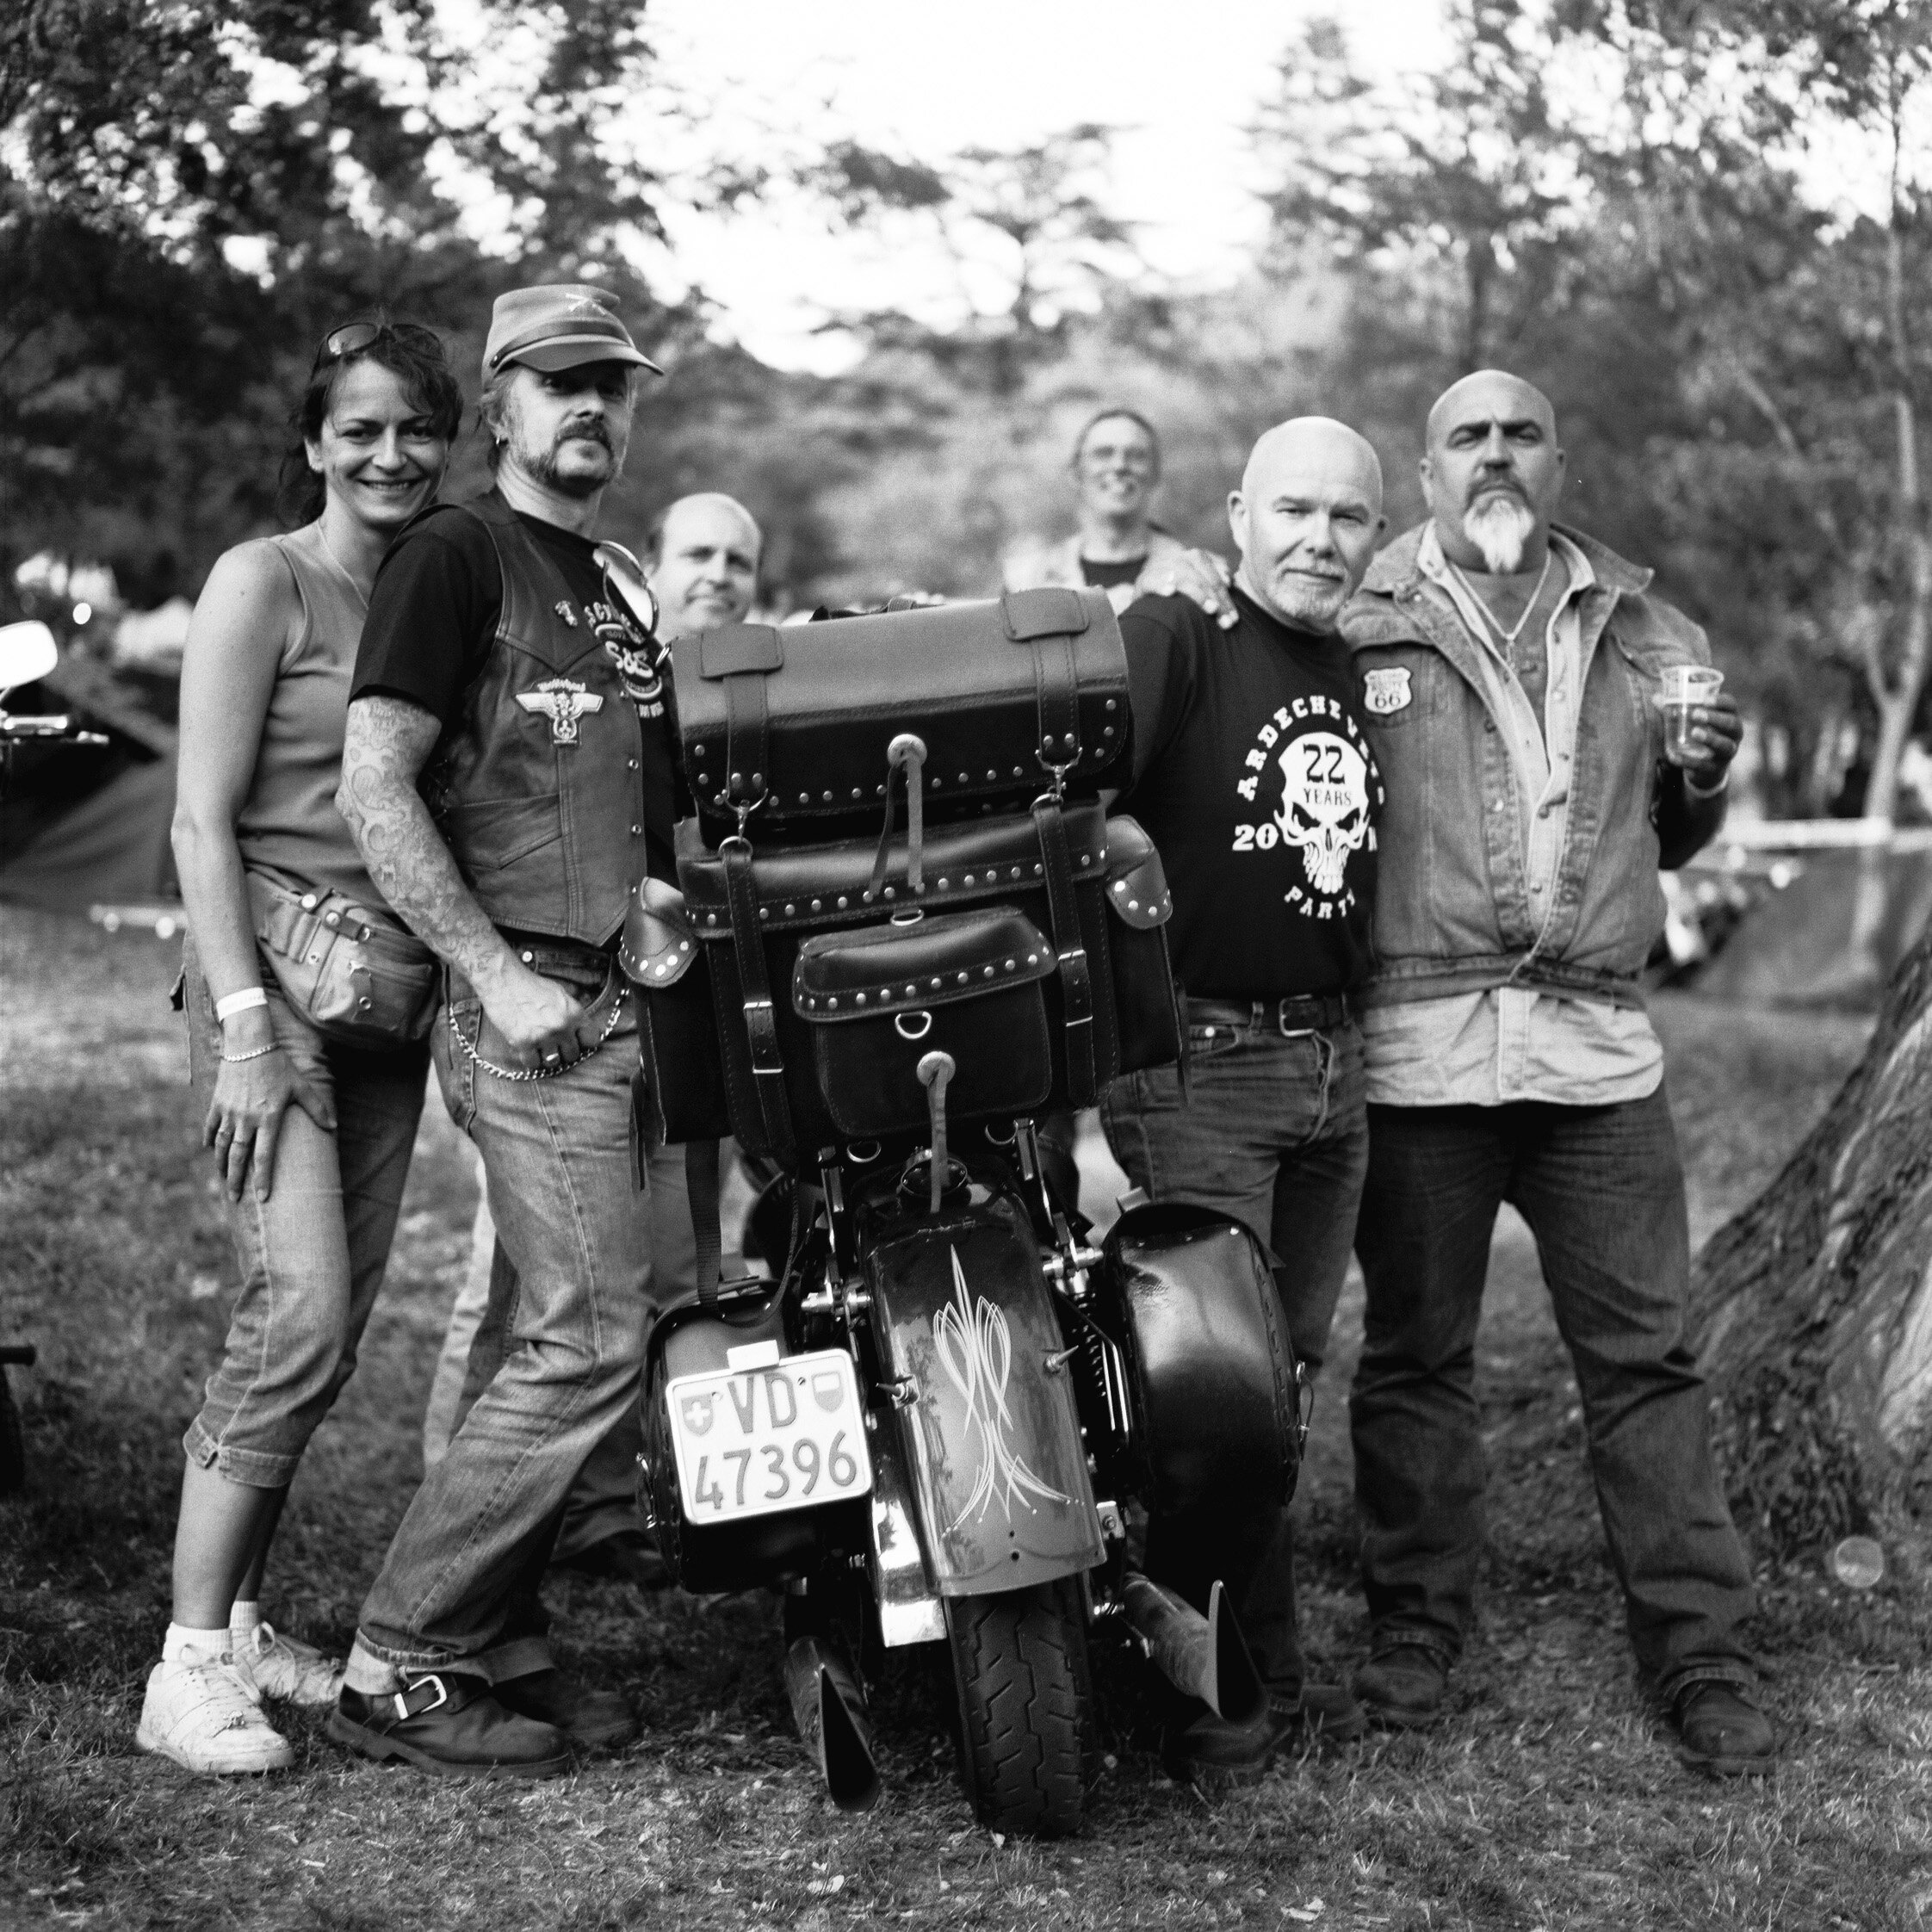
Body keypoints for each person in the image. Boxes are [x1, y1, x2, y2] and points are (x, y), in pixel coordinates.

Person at [1159, 370, 1770, 1776]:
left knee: (1644, 1360)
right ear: (1423, 474)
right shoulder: (1353, 617)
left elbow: (1665, 840)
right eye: (1463, 438)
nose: (1493, 455)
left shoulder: (1642, 625)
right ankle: (1414, 1624)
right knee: (1415, 1357)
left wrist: (1701, 778)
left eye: (1519, 433)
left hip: (1595, 1048)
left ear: (1556, 457)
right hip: (1420, 1044)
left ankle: (1700, 1650)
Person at [329, 283, 673, 1778]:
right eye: (557, 382)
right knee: (591, 1337)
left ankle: (497, 1638)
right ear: (501, 407)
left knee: (538, 1326)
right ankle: (400, 1656)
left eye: (609, 382)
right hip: (530, 1007)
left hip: (625, 1005)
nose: (588, 404)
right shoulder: (457, 553)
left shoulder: (614, 580)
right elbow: (374, 783)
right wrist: (490, 970)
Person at [139, 319, 462, 1776]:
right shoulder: (262, 581)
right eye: (362, 427)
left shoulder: (440, 581)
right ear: (314, 440)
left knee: (324, 1333)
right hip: (269, 986)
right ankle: (186, 1665)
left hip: (385, 1004)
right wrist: (248, 1027)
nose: (390, 453)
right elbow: (198, 821)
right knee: (302, 1311)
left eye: (416, 428)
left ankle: (248, 1616)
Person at [1105, 416, 1387, 1786]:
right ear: (1236, 516)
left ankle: (1255, 1663)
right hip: (1202, 1066)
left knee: (1286, 1384)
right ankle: (1205, 1699)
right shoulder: (1178, 631)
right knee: (1216, 1402)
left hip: (1336, 1069)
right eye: (1294, 513)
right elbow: (1076, 796)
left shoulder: (1357, 658)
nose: (1319, 540)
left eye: (1347, 517)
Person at [421, 492, 765, 1594]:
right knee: (534, 1286)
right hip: (561, 997)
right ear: (651, 569)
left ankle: (632, 1507)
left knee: (680, 1263)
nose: (718, 572)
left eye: (739, 559)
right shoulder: (611, 658)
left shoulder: (755, 673)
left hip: (683, 1010)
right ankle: (476, 1517)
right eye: (698, 552)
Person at [1002, 407, 1192, 615]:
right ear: (1075, 473)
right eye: (1103, 454)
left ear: (1155, 474)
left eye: (1136, 455)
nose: (1120, 465)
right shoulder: (1027, 581)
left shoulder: (1191, 574)